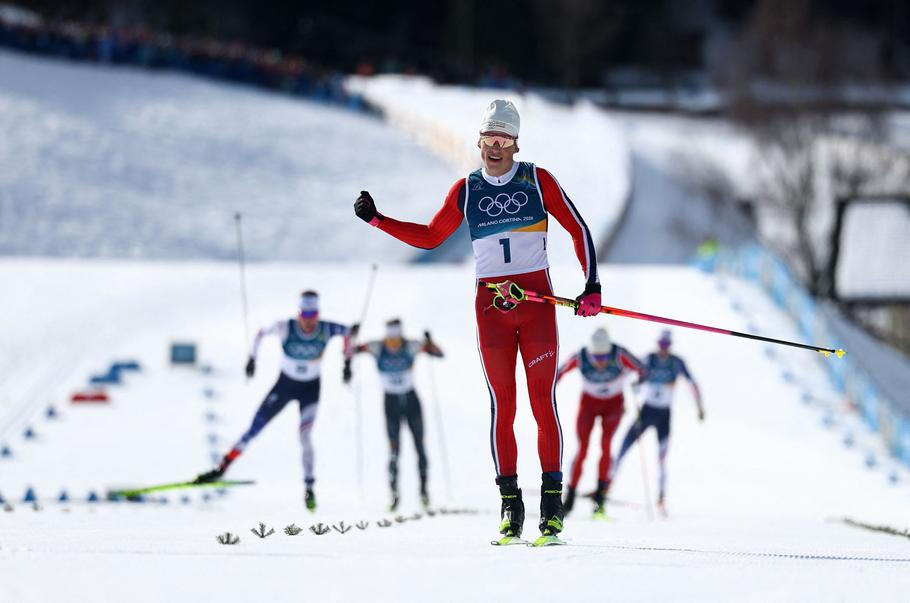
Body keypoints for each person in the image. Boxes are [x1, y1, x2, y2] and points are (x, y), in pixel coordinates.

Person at [354, 99, 601, 543]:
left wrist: (592, 285)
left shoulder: (538, 180)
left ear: (516, 144)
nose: (495, 147)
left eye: (503, 139)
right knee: (503, 407)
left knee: (542, 404)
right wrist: (377, 220)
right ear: (479, 142)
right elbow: (431, 237)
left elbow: (577, 228)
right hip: (492, 313)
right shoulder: (466, 190)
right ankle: (510, 508)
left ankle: (551, 508)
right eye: (489, 139)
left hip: (537, 307)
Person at [195, 290, 356, 511]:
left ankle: (309, 487)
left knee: (305, 436)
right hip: (284, 386)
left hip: (310, 390)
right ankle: (221, 469)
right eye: (305, 314)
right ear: (299, 313)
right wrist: (252, 359)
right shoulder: (285, 327)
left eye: (313, 315)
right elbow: (261, 333)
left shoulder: (326, 329)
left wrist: (348, 363)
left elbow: (349, 333)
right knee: (253, 429)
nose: (309, 320)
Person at [348, 318, 444, 511]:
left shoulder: (411, 345)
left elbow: (438, 354)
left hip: (411, 401)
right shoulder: (377, 347)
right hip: (391, 403)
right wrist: (351, 336)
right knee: (394, 451)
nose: (393, 343)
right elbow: (351, 351)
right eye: (391, 339)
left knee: (420, 447)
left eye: (396, 339)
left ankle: (424, 492)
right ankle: (394, 495)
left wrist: (429, 341)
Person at [609, 330, 704, 516]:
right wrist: (630, 390)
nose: (663, 348)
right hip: (646, 411)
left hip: (664, 415)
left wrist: (699, 407)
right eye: (661, 344)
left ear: (671, 345)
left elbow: (692, 383)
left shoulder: (677, 362)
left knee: (662, 458)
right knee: (623, 447)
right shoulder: (649, 358)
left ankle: (661, 498)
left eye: (666, 345)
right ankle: (606, 486)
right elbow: (627, 373)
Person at [556, 327, 645, 517]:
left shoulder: (619, 354)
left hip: (613, 405)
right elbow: (559, 372)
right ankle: (570, 496)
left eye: (604, 357)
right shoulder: (581, 356)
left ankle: (600, 498)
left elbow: (643, 369)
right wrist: (548, 388)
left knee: (606, 445)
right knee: (582, 448)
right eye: (596, 357)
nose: (600, 362)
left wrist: (637, 382)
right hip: (588, 404)